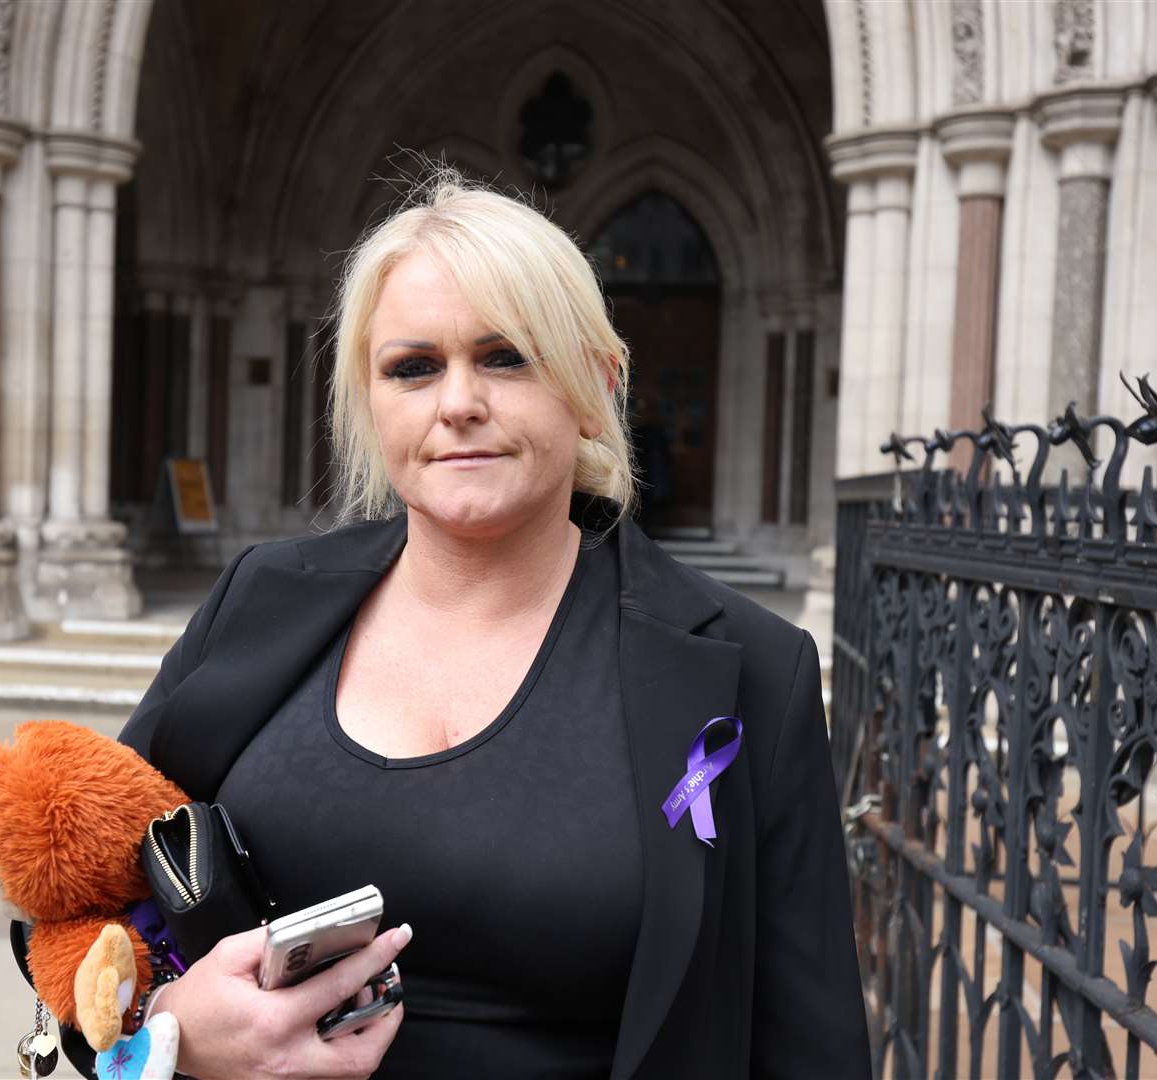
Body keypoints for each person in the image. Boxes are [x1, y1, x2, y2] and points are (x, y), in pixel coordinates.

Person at [61, 169, 869, 1079]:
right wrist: (164, 1025)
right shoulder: (260, 598)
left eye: (505, 355)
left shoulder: (752, 668)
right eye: (412, 367)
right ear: (368, 398)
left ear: (596, 383)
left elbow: (809, 1037)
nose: (456, 404)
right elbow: (72, 881)